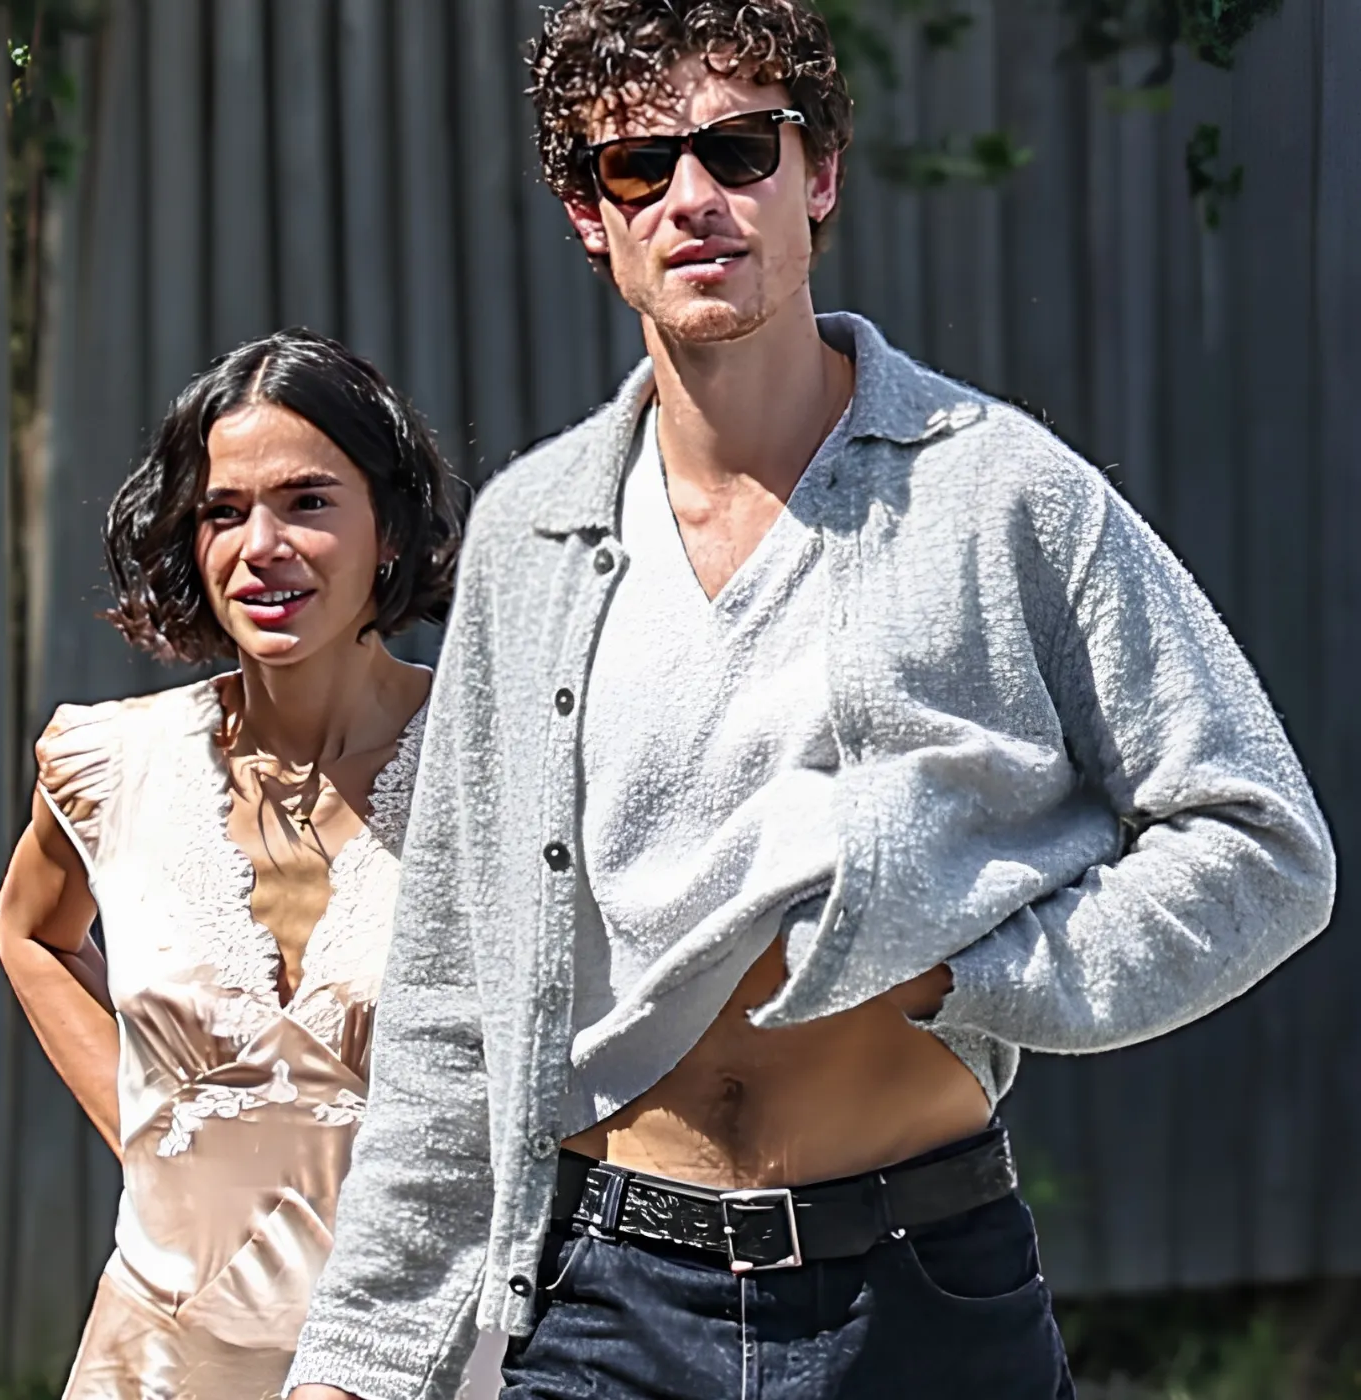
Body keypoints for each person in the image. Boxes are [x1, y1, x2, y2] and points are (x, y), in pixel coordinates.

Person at [285, 3, 1336, 1397]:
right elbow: (451, 985)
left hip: (918, 1291)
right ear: (590, 215)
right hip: (604, 1301)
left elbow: (1261, 845)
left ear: (818, 173)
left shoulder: (997, 491)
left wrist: (972, 971)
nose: (692, 199)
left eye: (739, 149)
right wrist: (358, 1360)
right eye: (637, 166)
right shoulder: (531, 534)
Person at [0, 329, 460, 1400]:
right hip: (157, 1359)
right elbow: (30, 932)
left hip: (420, 1354)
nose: (262, 545)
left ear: (389, 526)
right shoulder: (110, 766)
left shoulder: (496, 763)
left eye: (307, 502)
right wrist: (148, 1131)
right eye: (222, 510)